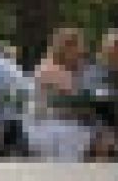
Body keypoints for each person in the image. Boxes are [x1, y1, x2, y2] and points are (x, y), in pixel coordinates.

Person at [27, 27, 97, 161]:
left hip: (55, 124)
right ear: (66, 48)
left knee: (101, 136)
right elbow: (75, 98)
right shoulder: (51, 69)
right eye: (79, 50)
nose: (81, 54)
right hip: (48, 126)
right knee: (91, 136)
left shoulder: (58, 68)